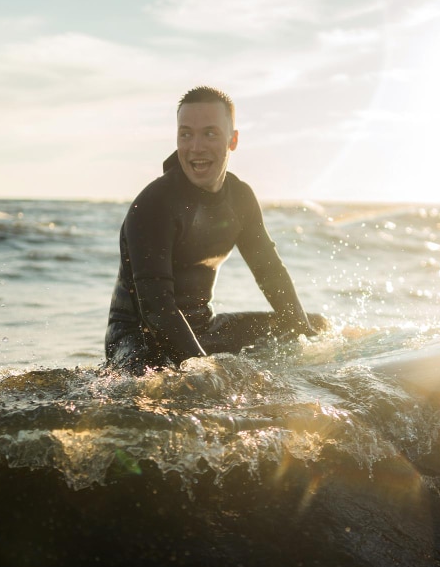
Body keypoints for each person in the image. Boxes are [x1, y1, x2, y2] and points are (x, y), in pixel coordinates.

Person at [105, 86, 324, 374]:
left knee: (312, 326)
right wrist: (207, 371)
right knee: (179, 385)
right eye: (186, 134)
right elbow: (157, 309)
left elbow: (270, 272)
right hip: (138, 339)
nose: (195, 147)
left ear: (233, 140)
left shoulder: (240, 198)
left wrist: (303, 339)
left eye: (209, 133)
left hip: (202, 328)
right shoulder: (155, 205)